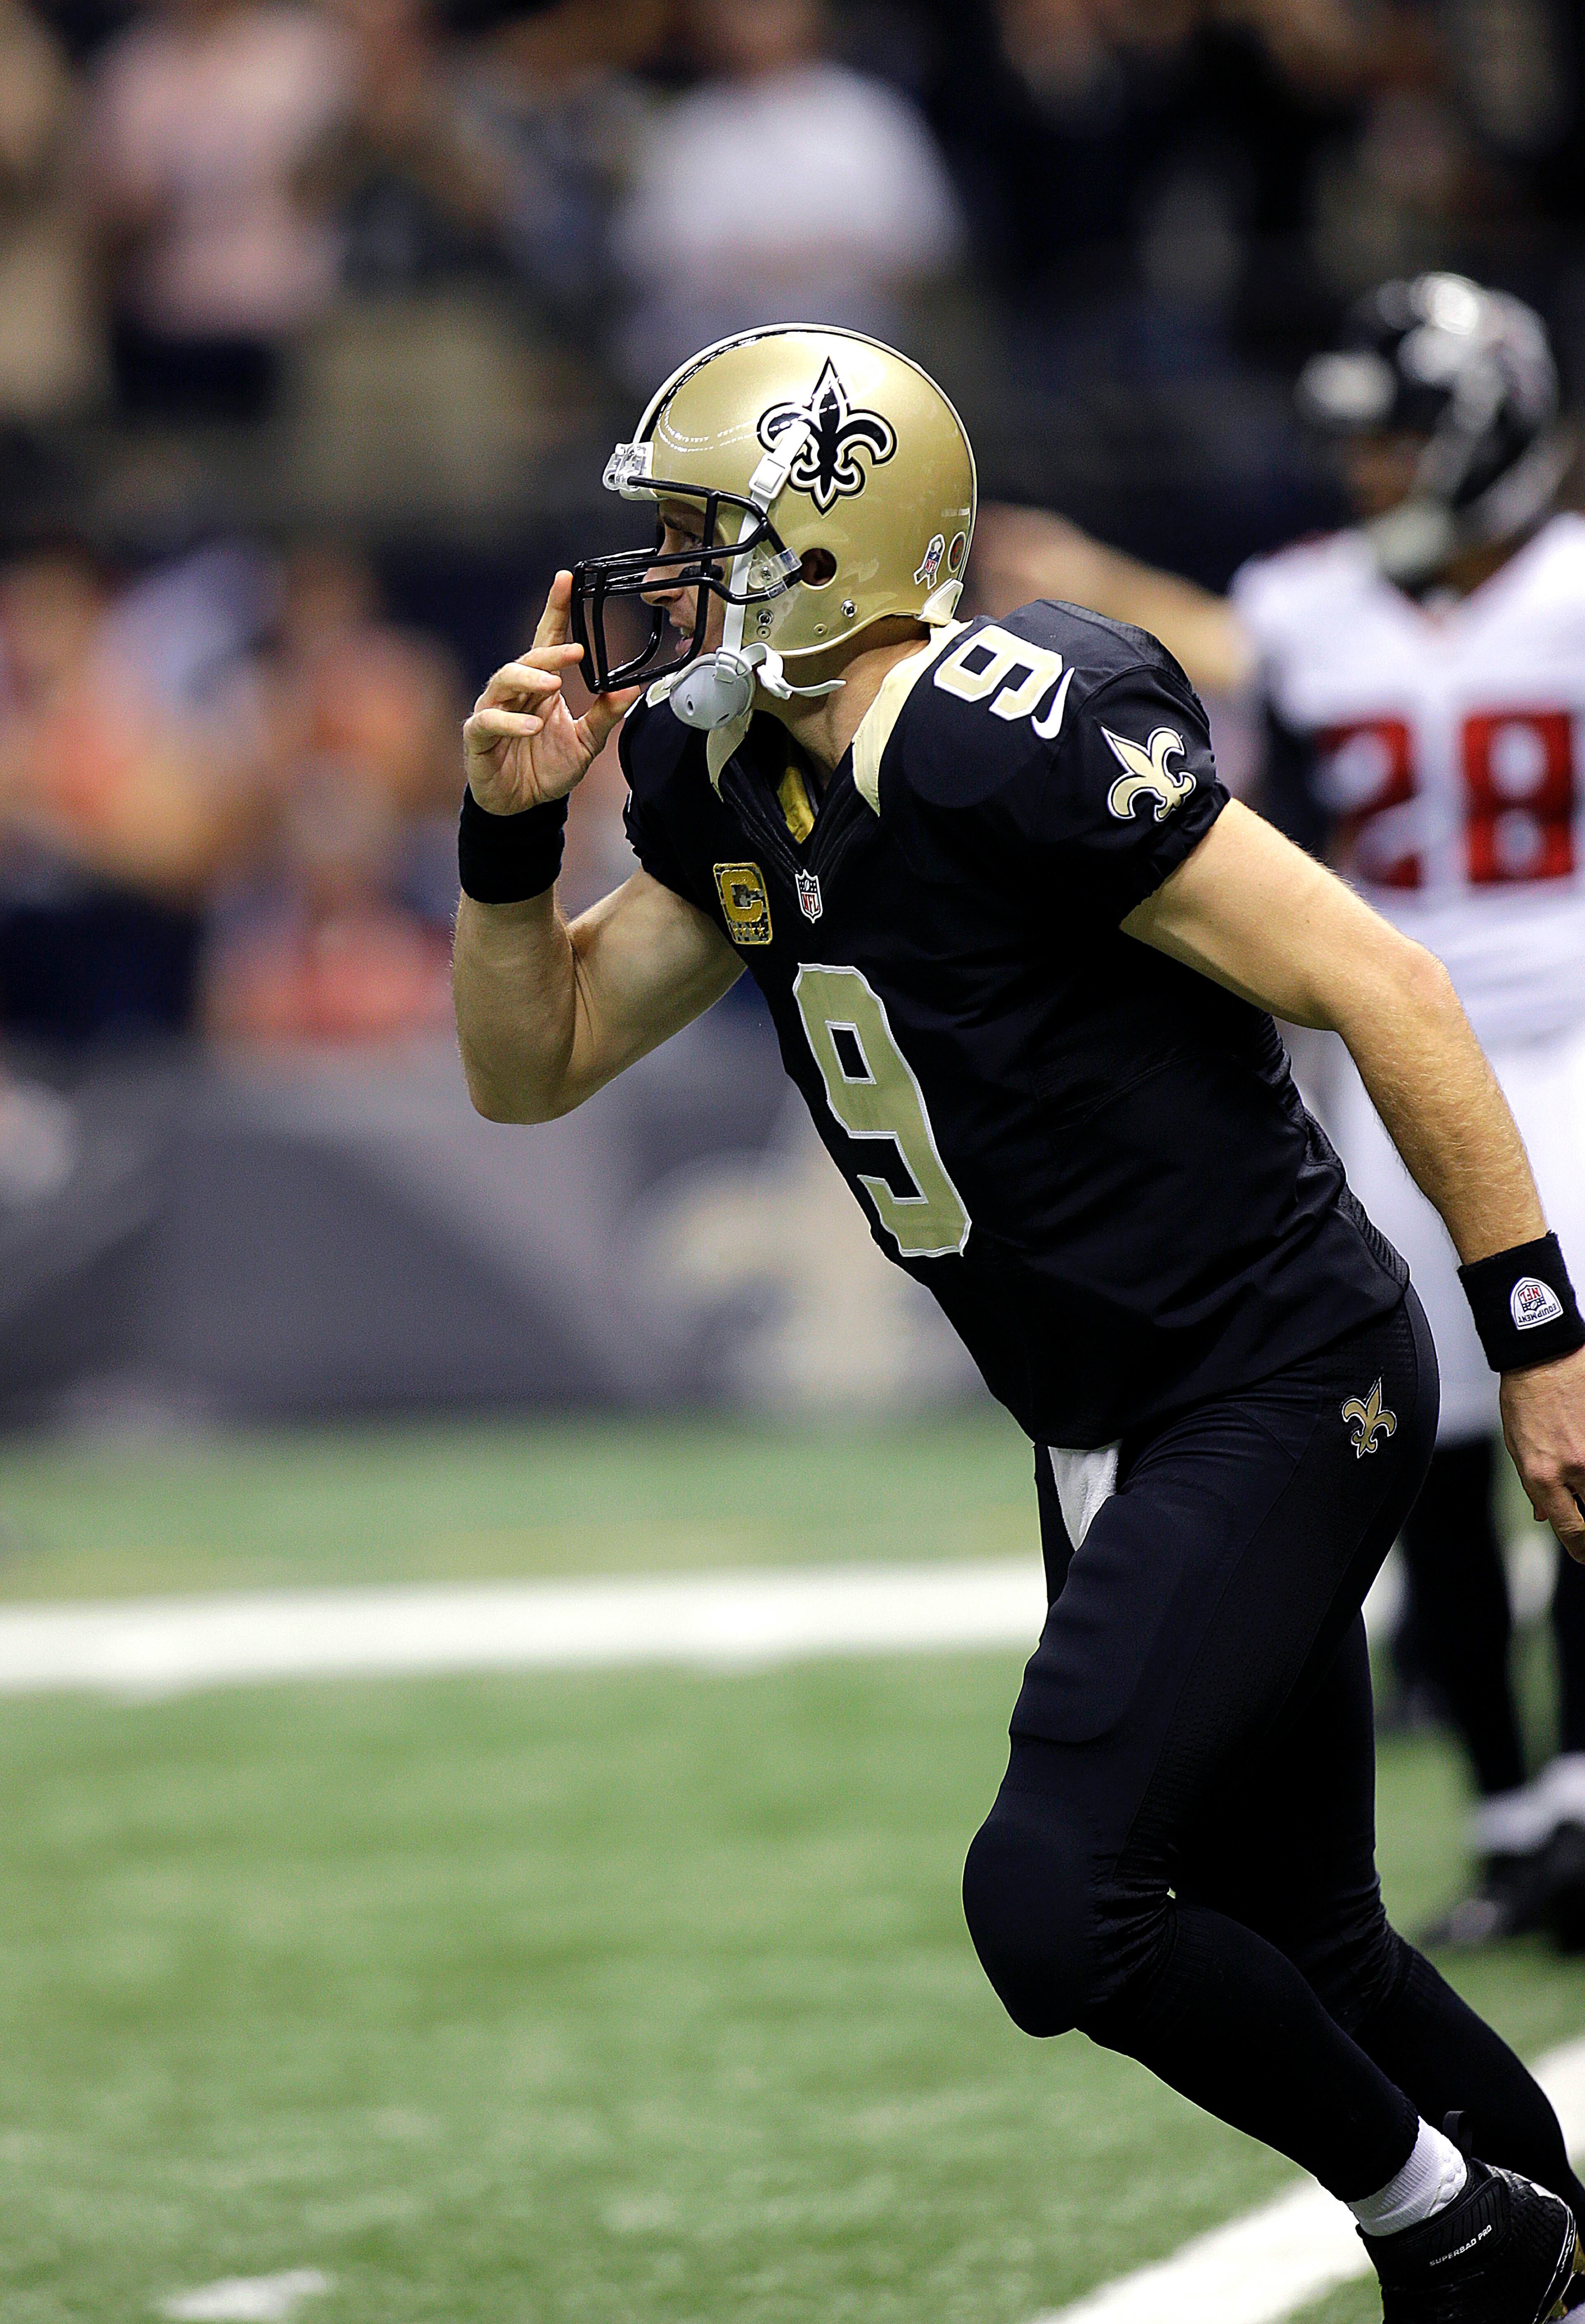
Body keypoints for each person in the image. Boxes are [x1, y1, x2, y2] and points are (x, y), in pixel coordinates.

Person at [452, 322, 1585, 2322]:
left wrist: (1540, 1333)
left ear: (825, 541)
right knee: (1312, 1937)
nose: (666, 579)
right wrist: (501, 841)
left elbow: (1389, 984)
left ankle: (1461, 2231)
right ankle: (1558, 2270)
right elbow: (529, 1065)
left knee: (1058, 1908)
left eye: (710, 532)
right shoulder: (723, 776)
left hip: (1272, 1368)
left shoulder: (1008, 731)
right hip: (1104, 1411)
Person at [972, 272, 1585, 1950]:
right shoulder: (1311, 600)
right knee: (1442, 1448)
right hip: (1405, 1053)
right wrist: (1086, 577)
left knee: (1575, 1418)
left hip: (1573, 1036)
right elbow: (1244, 645)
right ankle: (1526, 1810)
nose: (1370, 472)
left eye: (1397, 440)